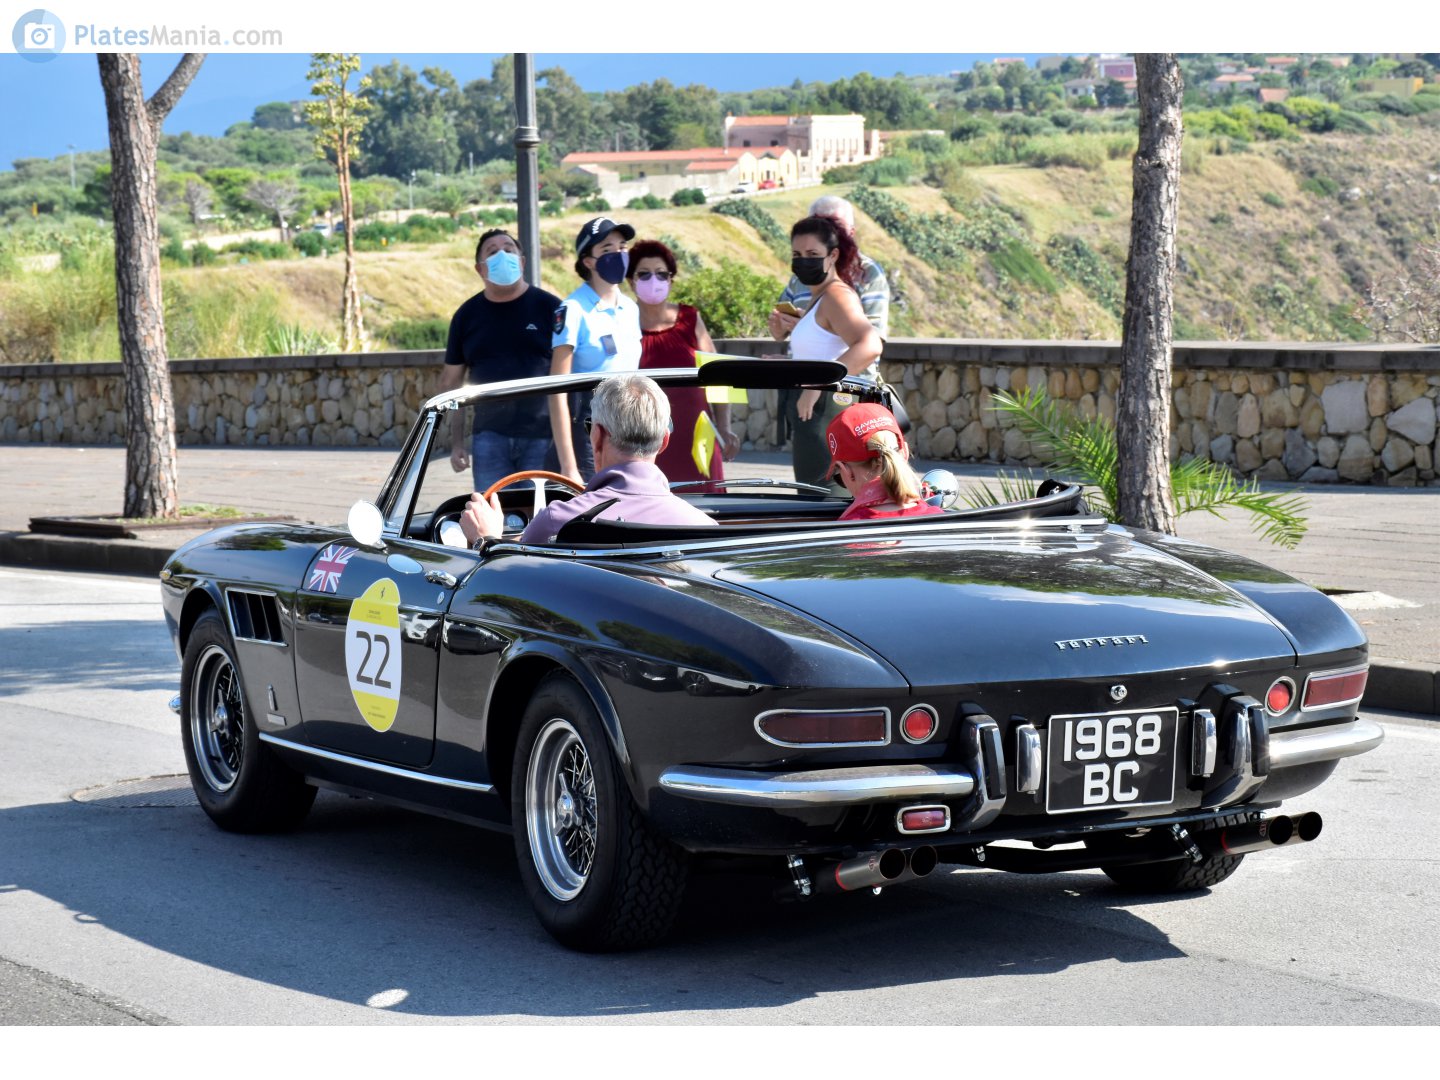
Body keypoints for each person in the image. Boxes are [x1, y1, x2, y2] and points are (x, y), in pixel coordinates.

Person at [459, 373, 715, 546]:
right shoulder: (706, 528)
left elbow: (512, 591)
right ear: (664, 441)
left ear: (597, 435)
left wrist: (487, 540)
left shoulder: (558, 522)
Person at [437, 229, 564, 490]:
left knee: (541, 521)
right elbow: (452, 384)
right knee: (492, 522)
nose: (502, 255)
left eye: (508, 249)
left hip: (543, 437)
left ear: (522, 261)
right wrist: (457, 443)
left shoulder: (551, 308)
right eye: (492, 252)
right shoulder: (466, 316)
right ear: (480, 269)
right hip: (489, 438)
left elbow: (567, 376)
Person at [772, 214, 883, 489]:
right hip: (817, 416)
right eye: (797, 254)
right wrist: (788, 363)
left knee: (828, 500)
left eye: (812, 254)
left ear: (833, 255)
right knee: (816, 496)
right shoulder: (819, 298)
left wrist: (818, 385)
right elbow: (824, 350)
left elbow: (870, 344)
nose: (803, 261)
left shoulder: (836, 296)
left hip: (829, 414)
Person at [627, 239, 740, 490]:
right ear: (630, 281)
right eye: (643, 274)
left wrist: (724, 427)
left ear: (671, 280)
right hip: (646, 441)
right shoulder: (624, 323)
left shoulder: (690, 318)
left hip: (697, 435)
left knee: (707, 508)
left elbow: (718, 373)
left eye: (661, 274)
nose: (653, 280)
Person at [548, 216, 643, 484]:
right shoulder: (573, 309)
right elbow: (556, 393)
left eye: (623, 246)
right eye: (607, 249)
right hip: (590, 430)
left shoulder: (631, 308)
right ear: (588, 261)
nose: (619, 254)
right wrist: (569, 466)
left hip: (630, 427)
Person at [768, 194, 890, 344]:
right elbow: (783, 330)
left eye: (835, 226)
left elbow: (873, 340)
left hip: (848, 368)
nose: (826, 232)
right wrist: (779, 332)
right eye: (819, 225)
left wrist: (811, 328)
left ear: (851, 233)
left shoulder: (868, 273)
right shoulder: (802, 274)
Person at [826, 403, 943, 521]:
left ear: (847, 472)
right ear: (905, 454)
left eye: (838, 477)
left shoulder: (846, 530)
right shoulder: (940, 519)